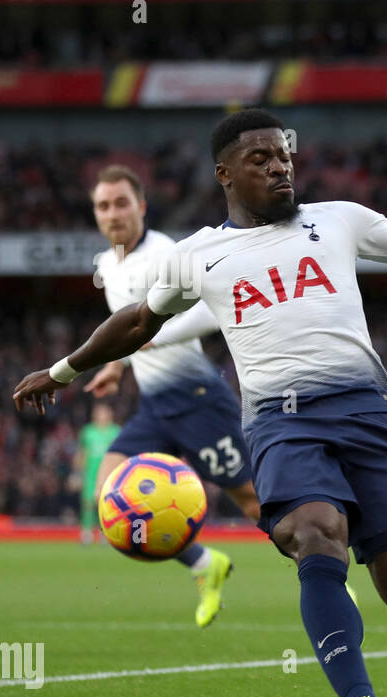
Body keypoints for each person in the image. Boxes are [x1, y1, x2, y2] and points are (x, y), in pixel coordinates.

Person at [15, 109, 387, 697]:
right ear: (224, 174)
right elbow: (139, 323)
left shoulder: (338, 219)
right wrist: (63, 371)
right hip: (280, 421)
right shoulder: (198, 255)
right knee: (313, 535)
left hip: (370, 411)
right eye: (261, 159)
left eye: (284, 156)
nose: (280, 167)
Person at [85, 164, 261, 627]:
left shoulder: (166, 253)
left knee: (254, 502)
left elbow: (211, 312)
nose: (112, 213)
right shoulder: (107, 265)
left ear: (141, 206)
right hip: (156, 407)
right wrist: (115, 365)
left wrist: (153, 338)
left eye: (121, 203)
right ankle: (206, 564)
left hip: (199, 399)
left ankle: (324, 569)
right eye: (103, 206)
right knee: (109, 496)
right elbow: (128, 331)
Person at [72, 402, 119, 544]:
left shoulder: (116, 431)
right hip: (91, 473)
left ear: (110, 414)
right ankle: (86, 532)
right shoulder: (88, 432)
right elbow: (82, 453)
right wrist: (76, 473)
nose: (101, 415)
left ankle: (105, 533)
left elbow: (120, 454)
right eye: (98, 412)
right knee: (88, 502)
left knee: (107, 503)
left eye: (103, 412)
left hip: (110, 473)